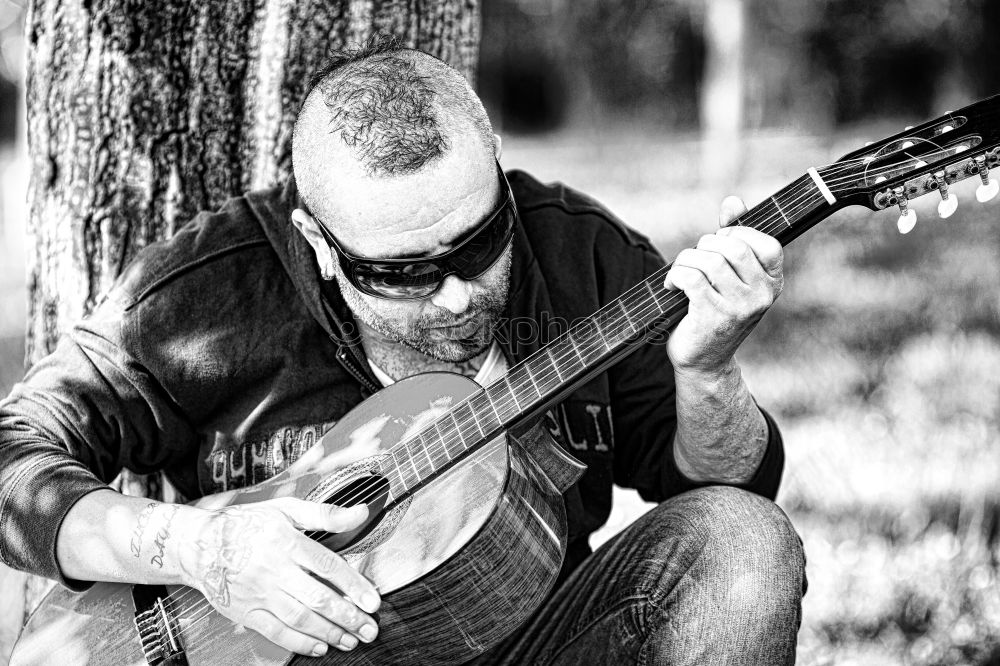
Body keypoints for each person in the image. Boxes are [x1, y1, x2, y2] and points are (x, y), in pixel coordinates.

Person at [0, 37, 805, 664]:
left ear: (495, 169)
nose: (457, 294)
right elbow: (13, 457)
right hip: (283, 656)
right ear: (319, 243)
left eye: (480, 242)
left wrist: (707, 370)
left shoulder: (583, 257)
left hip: (534, 639)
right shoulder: (204, 297)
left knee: (742, 539)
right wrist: (203, 550)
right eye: (402, 274)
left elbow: (730, 484)